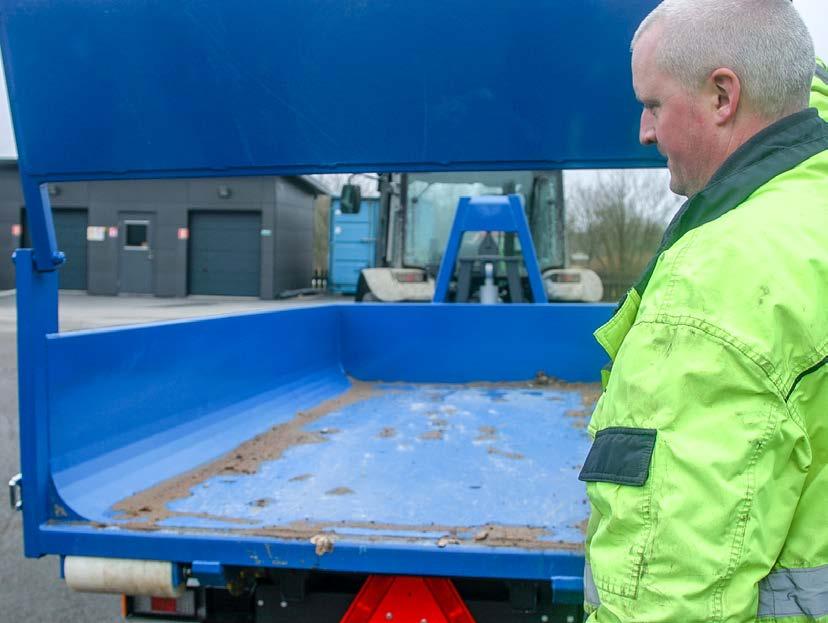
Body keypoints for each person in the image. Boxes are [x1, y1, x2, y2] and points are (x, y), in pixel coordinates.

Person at [578, 1, 828, 621]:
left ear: (723, 96)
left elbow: (669, 588)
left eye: (654, 104)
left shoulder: (724, 282)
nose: (644, 130)